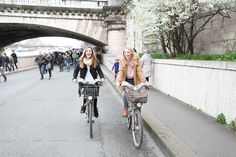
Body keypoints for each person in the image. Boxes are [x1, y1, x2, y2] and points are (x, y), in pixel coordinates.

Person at [72, 46, 105, 118]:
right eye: (87, 51)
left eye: (90, 51)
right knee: (85, 95)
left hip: (94, 81)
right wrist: (74, 78)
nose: (88, 52)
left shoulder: (95, 60)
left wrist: (102, 77)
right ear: (85, 53)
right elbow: (76, 70)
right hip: (83, 80)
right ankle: (83, 106)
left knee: (94, 95)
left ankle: (95, 109)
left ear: (92, 52)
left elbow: (99, 70)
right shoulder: (80, 60)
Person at [116, 47, 147, 117]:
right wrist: (118, 81)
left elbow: (139, 72)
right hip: (126, 80)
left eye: (128, 52)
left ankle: (138, 112)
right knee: (125, 94)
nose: (126, 54)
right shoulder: (122, 61)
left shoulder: (137, 60)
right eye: (125, 52)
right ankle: (125, 109)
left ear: (131, 53)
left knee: (138, 96)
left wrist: (144, 81)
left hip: (135, 80)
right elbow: (120, 71)